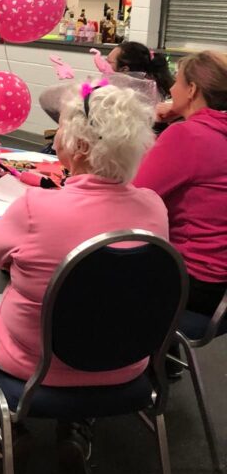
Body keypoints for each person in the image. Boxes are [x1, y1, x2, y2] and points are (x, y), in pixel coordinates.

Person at [0, 83, 169, 474]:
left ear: (78, 146)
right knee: (96, 311)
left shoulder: (35, 206)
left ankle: (4, 427)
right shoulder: (154, 206)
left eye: (60, 127)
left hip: (35, 361)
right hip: (126, 363)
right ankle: (76, 429)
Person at [134, 51, 227, 317]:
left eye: (177, 81)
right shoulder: (213, 130)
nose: (172, 88)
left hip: (193, 280)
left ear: (192, 89)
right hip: (220, 286)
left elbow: (135, 194)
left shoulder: (188, 135)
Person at [39, 40, 168, 124]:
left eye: (109, 62)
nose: (103, 65)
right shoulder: (153, 89)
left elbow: (47, 97)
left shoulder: (110, 93)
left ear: (124, 69)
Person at [106, 41, 174, 100]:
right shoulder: (110, 83)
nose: (104, 63)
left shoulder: (136, 96)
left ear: (124, 69)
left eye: (109, 62)